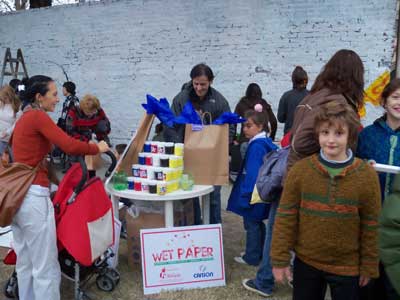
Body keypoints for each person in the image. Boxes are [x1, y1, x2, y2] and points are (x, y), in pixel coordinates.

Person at [11, 75, 110, 300]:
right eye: (53, 94)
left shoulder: (23, 118)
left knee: (25, 260)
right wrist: (97, 148)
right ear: (39, 97)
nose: (58, 99)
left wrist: (59, 181)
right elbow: (68, 144)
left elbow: (32, 159)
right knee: (46, 266)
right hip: (33, 199)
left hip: (19, 197)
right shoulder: (37, 116)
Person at [271, 101, 381, 300]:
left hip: (348, 266)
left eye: (339, 133)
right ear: (318, 134)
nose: (331, 140)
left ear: (350, 136)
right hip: (307, 262)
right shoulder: (301, 171)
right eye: (325, 133)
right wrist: (280, 259)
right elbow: (286, 217)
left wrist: (369, 264)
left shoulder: (366, 176)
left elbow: (371, 224)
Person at [165, 63, 233, 224]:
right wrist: (179, 148)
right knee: (191, 196)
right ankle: (195, 228)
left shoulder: (219, 101)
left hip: (212, 158)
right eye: (196, 83)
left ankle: (213, 230)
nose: (199, 87)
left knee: (213, 197)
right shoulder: (181, 99)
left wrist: (223, 148)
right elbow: (170, 125)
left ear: (211, 82)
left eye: (203, 84)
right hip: (187, 156)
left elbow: (229, 128)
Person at [356, 78, 400, 299]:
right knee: (368, 284)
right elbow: (352, 171)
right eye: (395, 97)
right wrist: (364, 169)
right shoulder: (367, 135)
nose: (399, 103)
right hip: (370, 221)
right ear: (383, 101)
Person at [287, 49, 365, 171]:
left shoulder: (313, 96)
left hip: (297, 171)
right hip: (311, 175)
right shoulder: (334, 101)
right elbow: (300, 143)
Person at [227, 104, 277, 267]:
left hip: (253, 192)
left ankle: (252, 256)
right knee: (257, 223)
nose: (245, 129)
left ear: (260, 126)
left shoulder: (256, 146)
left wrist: (247, 193)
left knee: (251, 224)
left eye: (249, 126)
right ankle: (261, 251)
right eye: (244, 126)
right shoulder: (266, 142)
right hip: (263, 191)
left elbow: (254, 173)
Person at [277, 66, 309, 135]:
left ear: (293, 80)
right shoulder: (312, 96)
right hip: (307, 136)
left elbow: (280, 118)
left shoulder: (286, 96)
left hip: (290, 135)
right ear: (306, 80)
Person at [0, 85, 21, 156]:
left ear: (10, 95)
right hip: (1, 136)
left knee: (13, 159)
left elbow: (17, 123)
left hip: (11, 137)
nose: (4, 100)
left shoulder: (17, 107)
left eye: (5, 98)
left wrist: (7, 132)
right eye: (2, 98)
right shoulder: (1, 104)